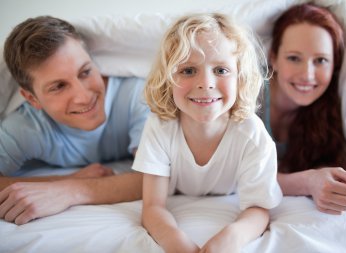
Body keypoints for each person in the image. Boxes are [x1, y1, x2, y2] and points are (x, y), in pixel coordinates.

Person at [132, 13, 282, 252]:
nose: (206, 83)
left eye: (221, 70)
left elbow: (259, 209)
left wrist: (227, 240)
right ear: (168, 79)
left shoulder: (251, 133)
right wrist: (176, 242)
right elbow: (153, 207)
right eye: (188, 70)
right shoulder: (160, 125)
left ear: (240, 78)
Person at [0, 16, 149, 225]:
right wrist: (69, 178)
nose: (84, 97)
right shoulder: (27, 127)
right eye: (59, 86)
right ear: (33, 99)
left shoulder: (136, 96)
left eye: (85, 72)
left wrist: (70, 191)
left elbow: (156, 177)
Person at [261, 3, 346, 215]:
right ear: (273, 58)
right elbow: (234, 176)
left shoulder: (330, 109)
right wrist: (308, 182)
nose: (308, 75)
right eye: (294, 58)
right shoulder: (247, 98)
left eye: (320, 60)